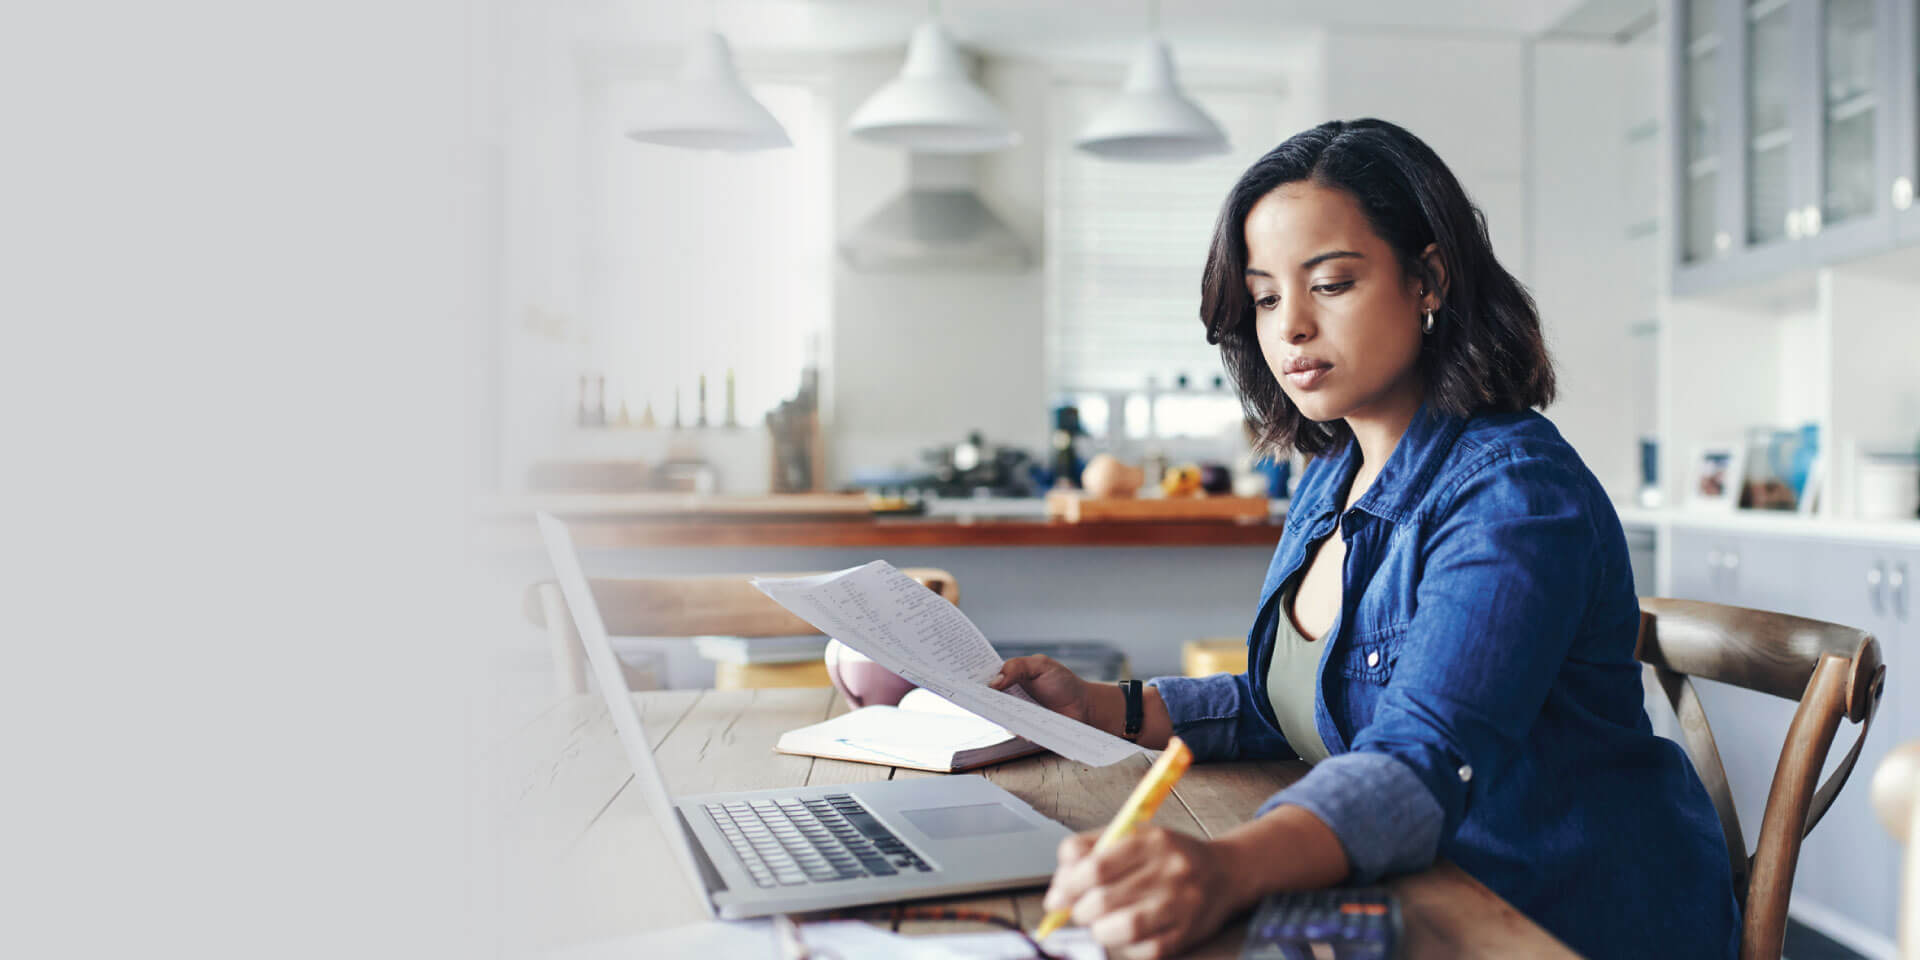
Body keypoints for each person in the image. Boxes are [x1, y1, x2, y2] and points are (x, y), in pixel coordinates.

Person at [989, 119, 1739, 960]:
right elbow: (1311, 705)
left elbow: (1423, 755)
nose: (1291, 327)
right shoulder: (1328, 476)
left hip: (1554, 918)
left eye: (1332, 283)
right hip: (1418, 894)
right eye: (1267, 297)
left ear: (1427, 280)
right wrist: (1104, 707)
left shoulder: (1513, 495)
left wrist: (1227, 867)